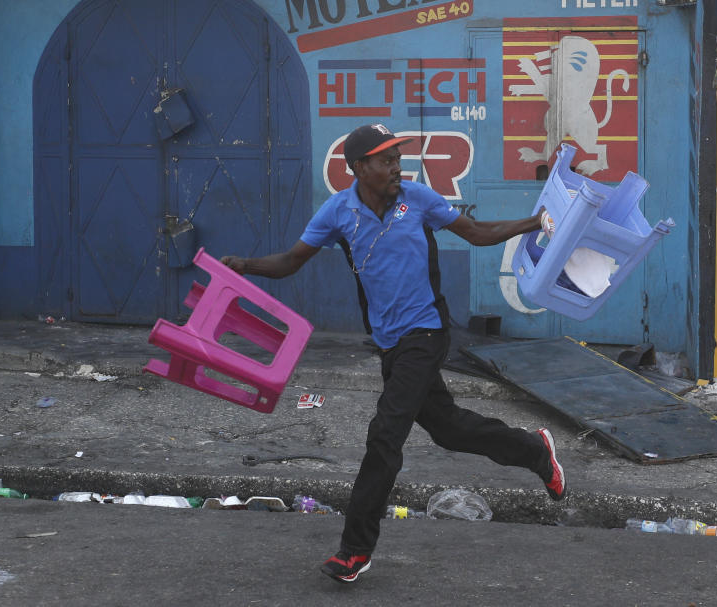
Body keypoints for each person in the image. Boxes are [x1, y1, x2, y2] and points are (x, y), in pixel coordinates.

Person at [220, 123, 566, 584]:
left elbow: (478, 232)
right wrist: (246, 266)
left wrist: (532, 221)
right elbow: (292, 260)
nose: (396, 168)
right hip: (390, 343)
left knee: (385, 436)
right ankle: (536, 451)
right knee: (448, 428)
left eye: (397, 158)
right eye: (385, 161)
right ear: (359, 168)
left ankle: (354, 551)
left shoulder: (417, 200)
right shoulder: (338, 212)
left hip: (425, 334)